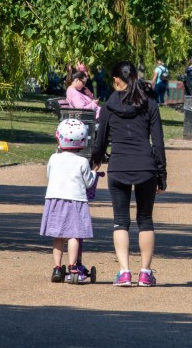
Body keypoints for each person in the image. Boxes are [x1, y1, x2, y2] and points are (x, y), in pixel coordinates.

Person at [91, 61, 167, 287]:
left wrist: (95, 160)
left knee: (120, 222)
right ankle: (145, 273)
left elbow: (99, 142)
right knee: (145, 220)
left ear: (116, 80)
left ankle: (124, 272)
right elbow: (159, 143)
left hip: (119, 166)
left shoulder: (107, 107)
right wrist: (162, 174)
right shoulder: (150, 104)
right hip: (146, 167)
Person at [41, 118, 98, 284]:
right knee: (74, 234)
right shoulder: (82, 162)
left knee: (58, 235)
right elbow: (88, 182)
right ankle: (73, 265)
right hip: (75, 200)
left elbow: (49, 176)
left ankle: (57, 267)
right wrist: (94, 173)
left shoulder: (54, 158)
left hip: (55, 199)